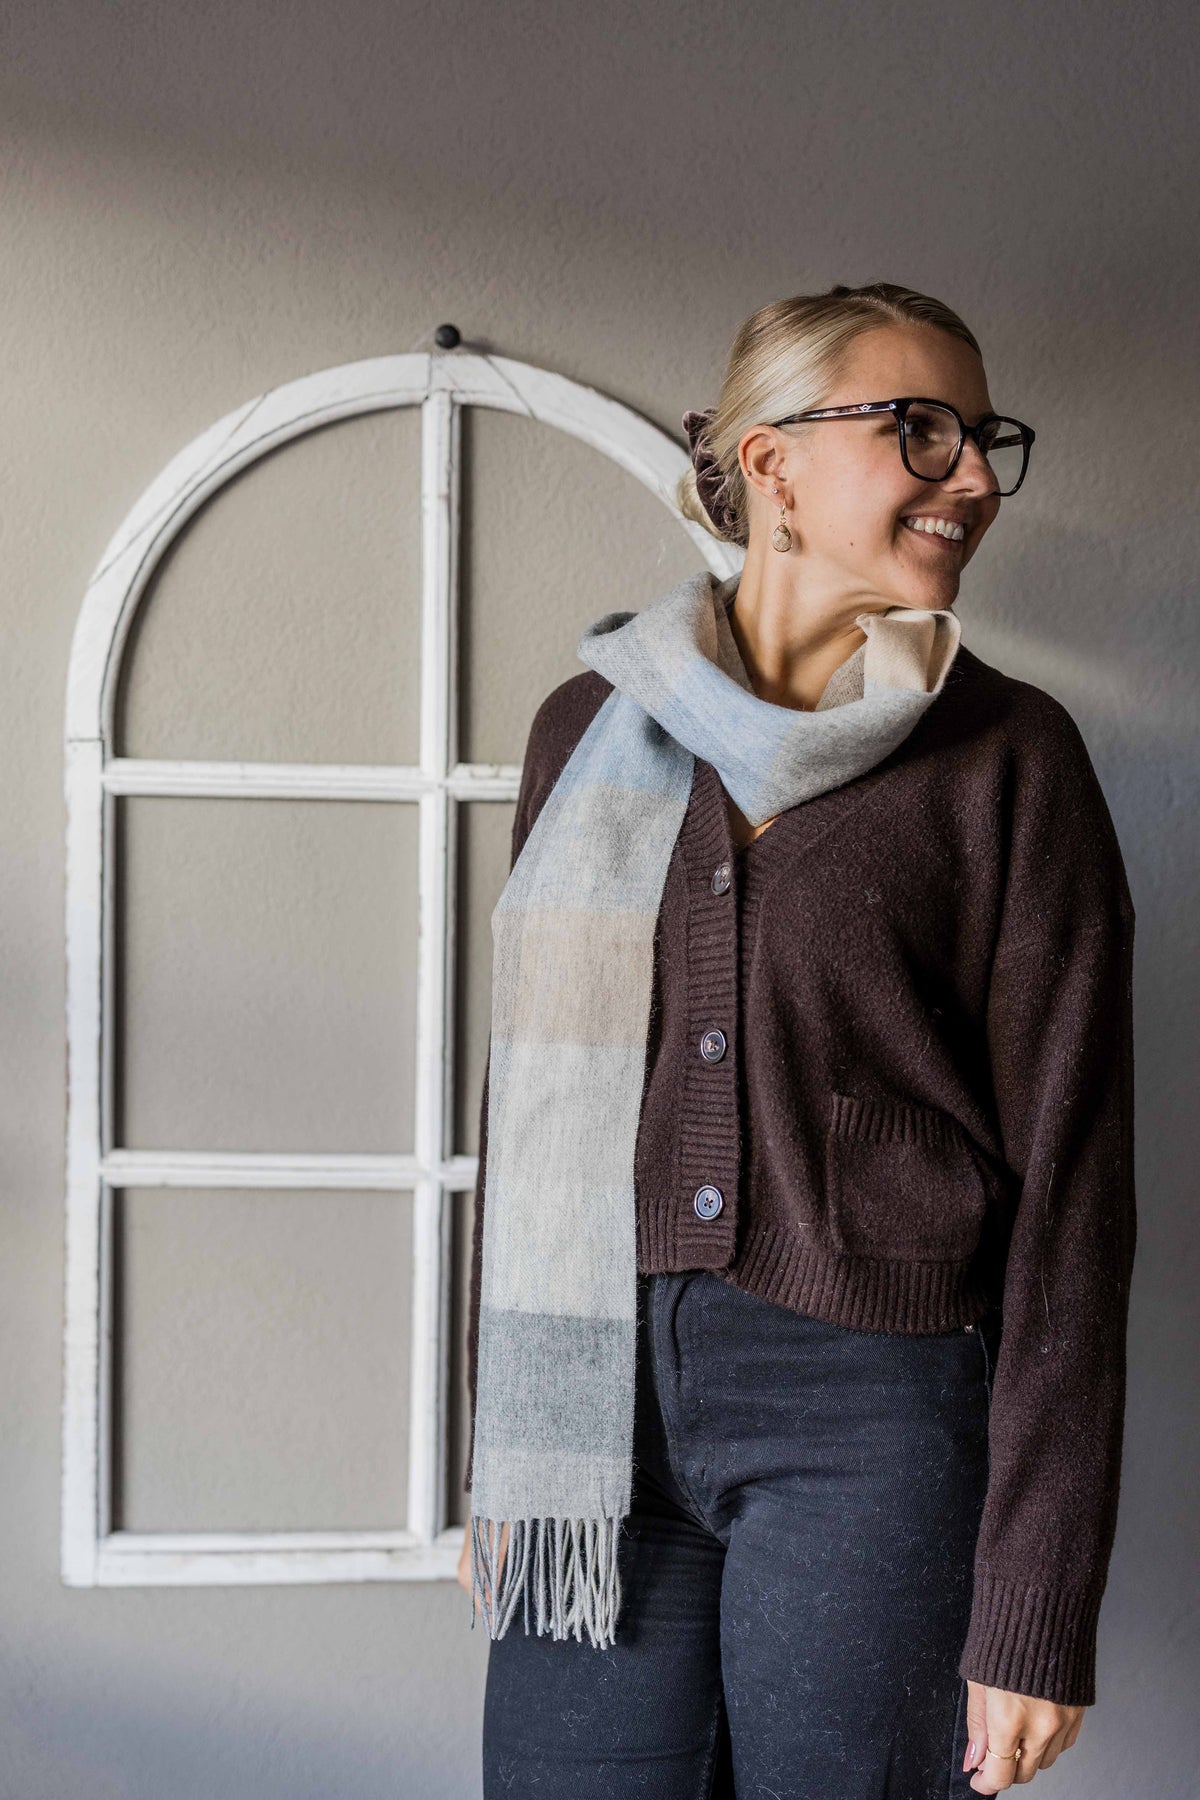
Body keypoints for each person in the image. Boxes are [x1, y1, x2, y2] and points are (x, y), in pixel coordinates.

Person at [456, 282, 1136, 1798]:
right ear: (770, 460)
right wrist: (507, 1451)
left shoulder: (1009, 758)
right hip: (596, 1422)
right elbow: (534, 1106)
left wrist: (1036, 1600)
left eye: (986, 439)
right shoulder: (586, 729)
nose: (974, 476)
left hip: (873, 1424)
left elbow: (1076, 1203)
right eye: (924, 430)